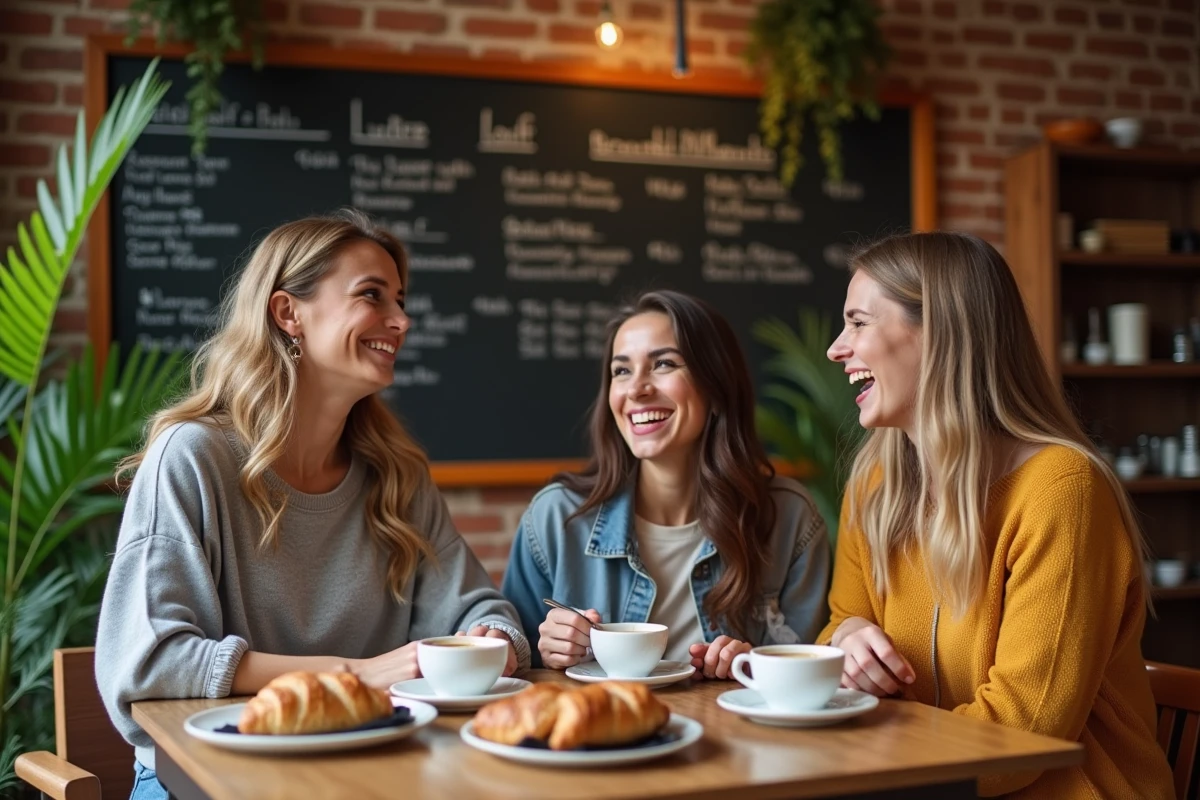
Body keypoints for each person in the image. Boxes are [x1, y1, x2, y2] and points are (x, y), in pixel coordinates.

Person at [95, 210, 530, 800]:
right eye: (371, 296)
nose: (400, 321)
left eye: (400, 300)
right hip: (207, 781)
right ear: (287, 313)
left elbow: (476, 608)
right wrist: (357, 675)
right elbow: (149, 663)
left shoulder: (397, 473)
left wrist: (492, 638)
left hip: (373, 770)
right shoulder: (192, 458)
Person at [821, 231, 1173, 799]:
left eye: (858, 323)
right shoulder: (876, 487)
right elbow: (838, 626)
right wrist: (847, 637)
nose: (837, 348)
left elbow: (1018, 740)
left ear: (940, 333)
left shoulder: (1062, 490)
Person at [502, 290, 830, 679]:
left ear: (716, 386)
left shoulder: (788, 519)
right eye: (621, 371)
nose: (636, 389)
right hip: (603, 734)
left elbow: (810, 673)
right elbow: (511, 667)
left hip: (737, 736)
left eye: (663, 364)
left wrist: (756, 665)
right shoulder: (555, 518)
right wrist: (545, 651)